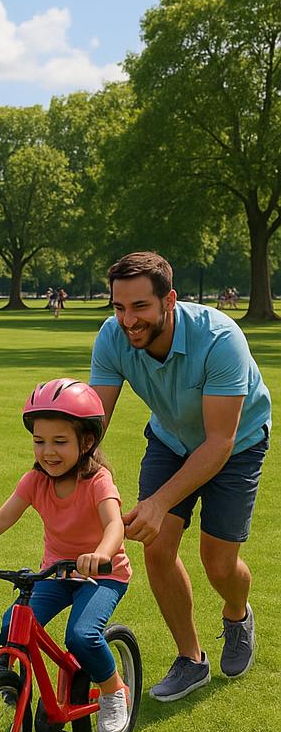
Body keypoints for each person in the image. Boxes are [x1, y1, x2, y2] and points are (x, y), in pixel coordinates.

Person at [90, 251, 271, 702]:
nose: (127, 320)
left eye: (139, 307)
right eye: (118, 306)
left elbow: (219, 442)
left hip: (237, 445)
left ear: (168, 299)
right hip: (170, 440)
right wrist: (70, 466)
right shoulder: (112, 338)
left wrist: (156, 502)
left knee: (218, 562)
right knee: (158, 547)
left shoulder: (219, 339)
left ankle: (236, 613)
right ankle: (191, 659)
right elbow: (94, 422)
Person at [0, 379, 132, 732]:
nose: (48, 451)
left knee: (82, 635)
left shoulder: (98, 481)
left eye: (60, 442)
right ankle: (19, 693)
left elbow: (115, 525)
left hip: (103, 575)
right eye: (39, 441)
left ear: (87, 442)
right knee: (10, 627)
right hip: (57, 574)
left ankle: (114, 690)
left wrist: (101, 554)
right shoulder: (36, 480)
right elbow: (2, 516)